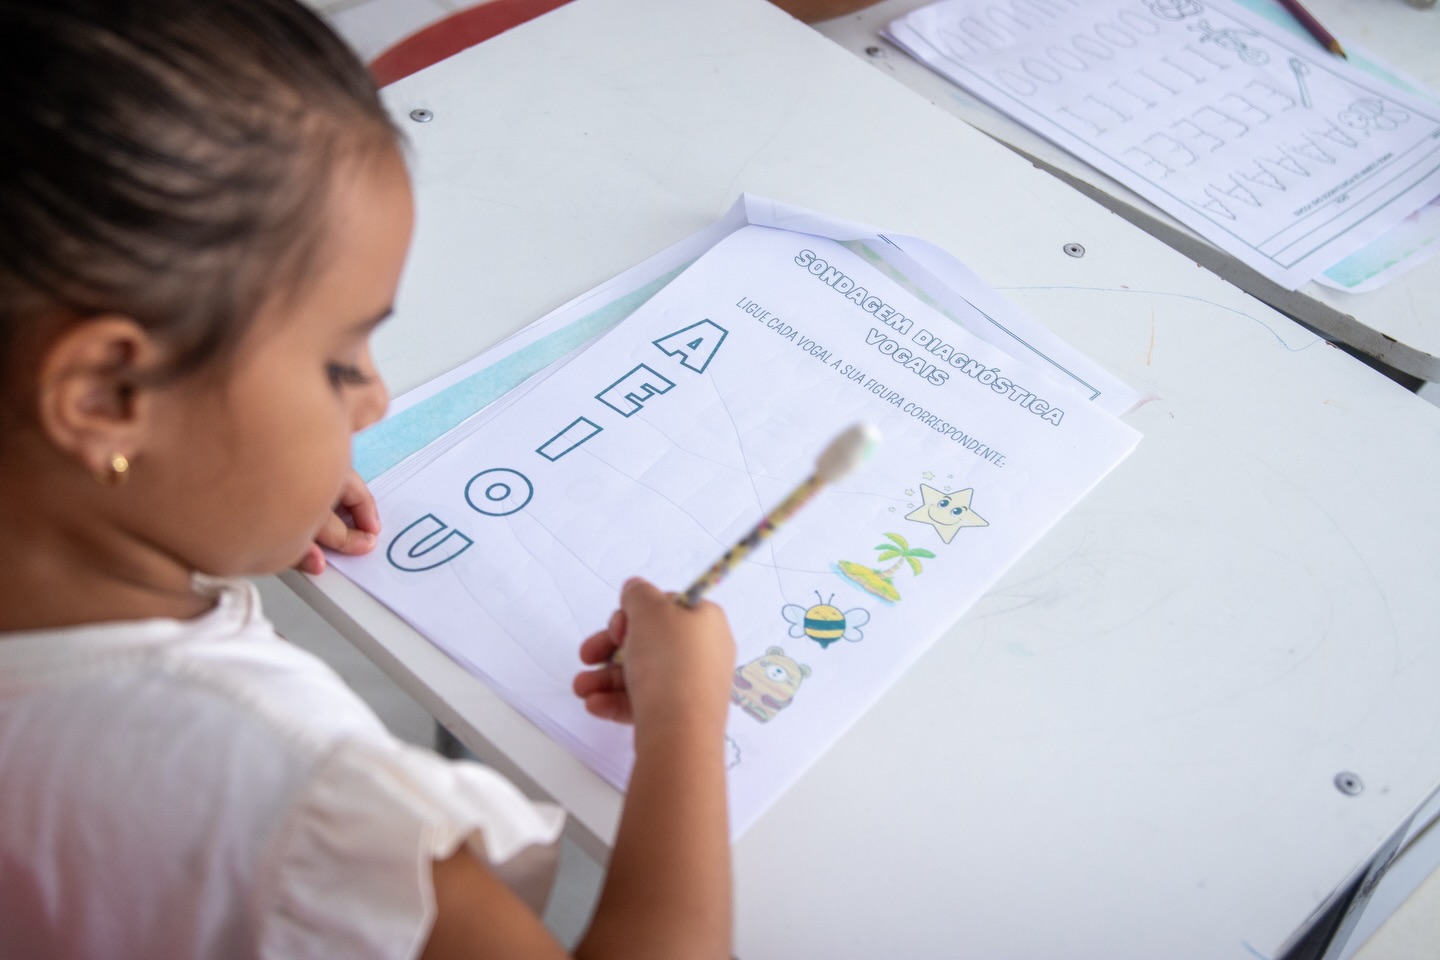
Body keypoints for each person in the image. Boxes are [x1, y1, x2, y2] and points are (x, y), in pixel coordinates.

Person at [0, 2, 737, 958]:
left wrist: (207, 473)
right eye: (341, 362)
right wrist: (683, 728)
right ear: (106, 398)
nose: (377, 400)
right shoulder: (287, 790)